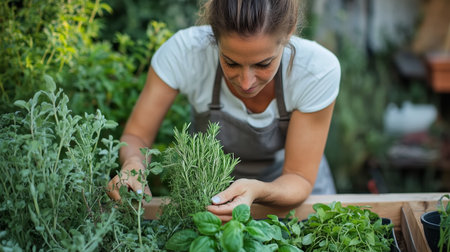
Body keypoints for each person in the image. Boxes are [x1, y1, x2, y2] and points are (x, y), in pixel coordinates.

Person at [107, 0, 340, 222]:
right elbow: (136, 136)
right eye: (231, 62)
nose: (247, 82)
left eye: (263, 64)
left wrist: (257, 190)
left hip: (295, 197)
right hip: (220, 199)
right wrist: (133, 165)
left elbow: (298, 177)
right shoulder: (185, 54)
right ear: (214, 36)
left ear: (289, 32)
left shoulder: (315, 71)